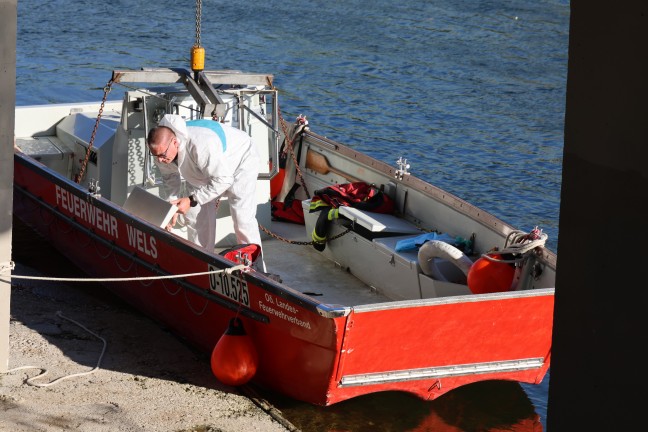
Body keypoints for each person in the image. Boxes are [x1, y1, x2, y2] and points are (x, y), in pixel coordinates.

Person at [147, 114, 265, 270]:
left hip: (240, 160)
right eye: (155, 156)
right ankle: (201, 265)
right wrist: (172, 208)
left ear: (175, 142)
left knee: (242, 218)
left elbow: (223, 180)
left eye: (162, 156)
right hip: (202, 171)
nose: (160, 160)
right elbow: (170, 179)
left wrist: (191, 199)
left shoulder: (201, 144)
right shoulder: (162, 150)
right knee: (195, 217)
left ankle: (255, 269)